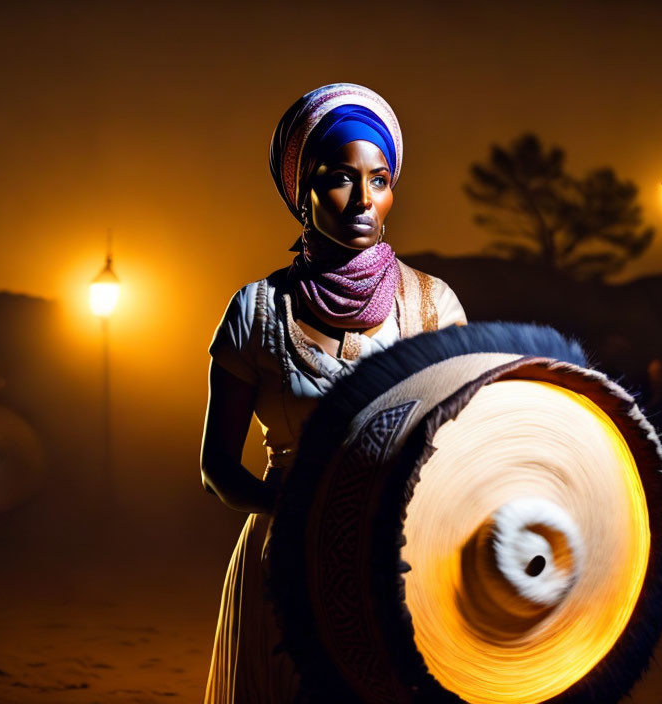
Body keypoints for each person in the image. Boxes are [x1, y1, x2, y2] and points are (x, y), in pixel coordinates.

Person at [200, 83, 467, 703]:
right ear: (303, 191)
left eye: (379, 179)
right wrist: (291, 515)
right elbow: (216, 467)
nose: (363, 200)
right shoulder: (257, 311)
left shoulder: (433, 306)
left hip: (397, 570)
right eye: (341, 178)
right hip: (287, 562)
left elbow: (462, 449)